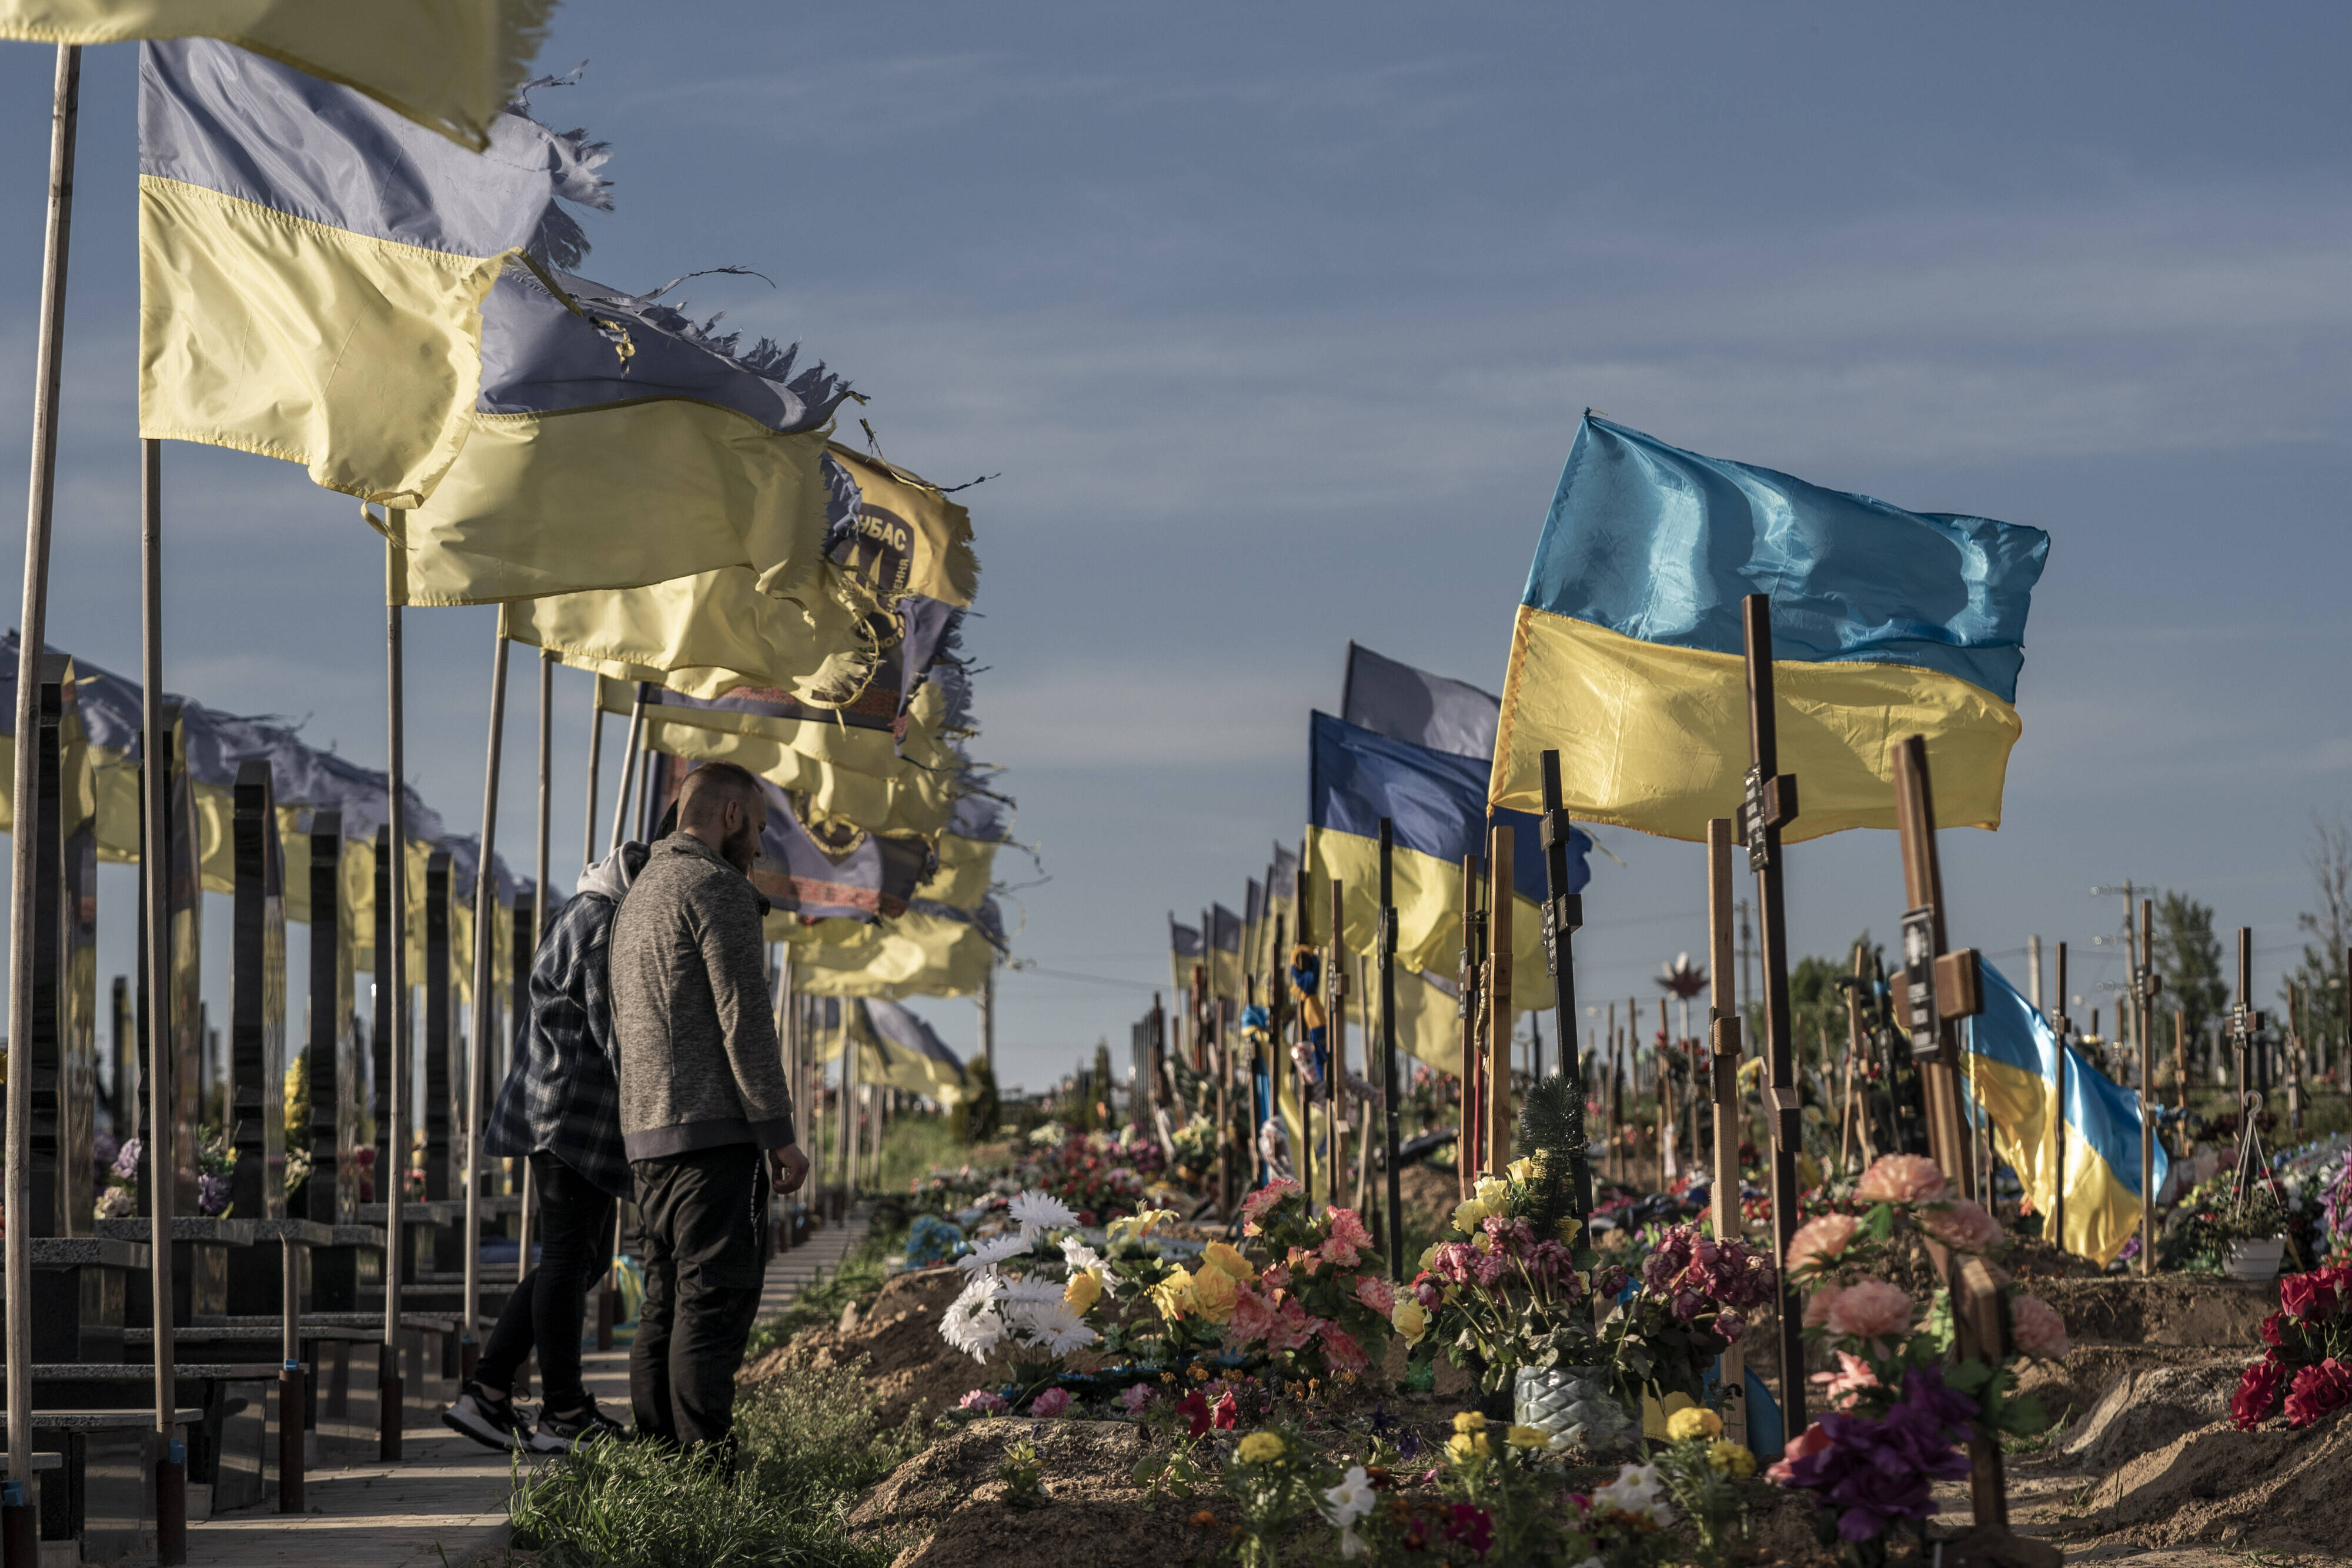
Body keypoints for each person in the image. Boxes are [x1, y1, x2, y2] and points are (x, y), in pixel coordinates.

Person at [610, 761, 810, 1452]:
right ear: (728, 816)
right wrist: (779, 1133)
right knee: (714, 1302)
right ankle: (707, 1465)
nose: (758, 847)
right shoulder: (715, 888)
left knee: (664, 1303)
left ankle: (661, 1455)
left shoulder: (638, 897)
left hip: (648, 1139)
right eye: (756, 828)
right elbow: (744, 1021)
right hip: (712, 1134)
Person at [442, 838, 648, 1453]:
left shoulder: (591, 909)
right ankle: (560, 1412)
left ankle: (488, 1392)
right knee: (567, 1259)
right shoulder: (604, 922)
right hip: (570, 1116)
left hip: (569, 1115)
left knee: (575, 1261)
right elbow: (617, 1034)